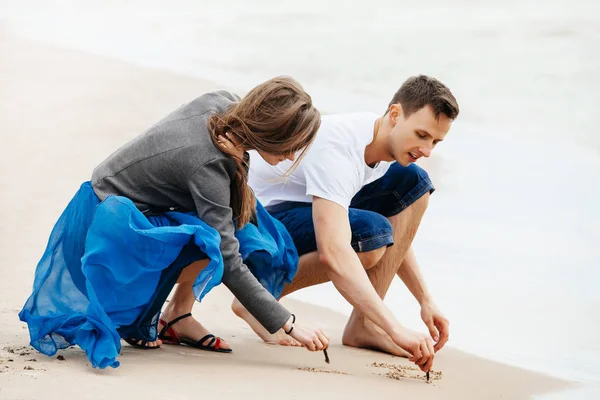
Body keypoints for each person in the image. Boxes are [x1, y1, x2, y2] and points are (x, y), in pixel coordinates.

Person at [19, 76, 329, 369]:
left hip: (128, 210)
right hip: (106, 230)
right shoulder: (209, 165)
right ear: (271, 132)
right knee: (217, 244)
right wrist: (289, 323)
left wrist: (235, 163)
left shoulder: (223, 106)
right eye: (291, 146)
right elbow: (229, 260)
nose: (291, 157)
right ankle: (141, 317)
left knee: (247, 228)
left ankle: (177, 315)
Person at [232, 75, 459, 373]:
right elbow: (335, 251)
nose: (427, 149)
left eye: (435, 141)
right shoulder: (340, 150)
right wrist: (395, 327)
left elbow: (398, 237)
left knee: (414, 182)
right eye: (421, 135)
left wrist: (425, 300)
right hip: (258, 221)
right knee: (370, 235)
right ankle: (260, 298)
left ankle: (364, 326)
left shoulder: (379, 139)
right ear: (394, 114)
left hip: (299, 206)